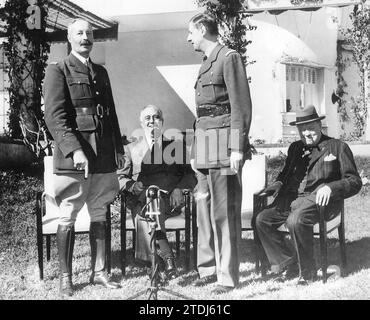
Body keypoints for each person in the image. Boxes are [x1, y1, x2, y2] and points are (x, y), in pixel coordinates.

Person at [43, 19, 125, 298]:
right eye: (80, 33)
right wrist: (74, 149)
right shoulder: (58, 70)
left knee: (100, 210)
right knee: (68, 212)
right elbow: (55, 118)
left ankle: (99, 272)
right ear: (69, 37)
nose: (85, 38)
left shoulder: (101, 72)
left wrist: (118, 149)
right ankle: (66, 278)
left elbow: (110, 114)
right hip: (75, 156)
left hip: (102, 154)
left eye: (89, 34)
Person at [254, 105, 362, 285]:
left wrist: (331, 187)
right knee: (262, 219)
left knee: (295, 220)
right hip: (291, 199)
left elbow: (354, 181)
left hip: (319, 201)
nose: (306, 134)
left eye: (310, 128)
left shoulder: (338, 147)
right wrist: (278, 183)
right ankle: (289, 263)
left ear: (320, 125)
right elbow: (286, 172)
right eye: (301, 129)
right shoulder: (295, 148)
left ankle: (308, 273)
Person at [187, 13, 252, 294]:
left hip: (225, 145)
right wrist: (194, 150)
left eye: (190, 32)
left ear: (203, 29)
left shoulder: (228, 58)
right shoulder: (205, 63)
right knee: (203, 208)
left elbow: (241, 106)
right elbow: (203, 113)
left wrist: (237, 147)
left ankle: (227, 276)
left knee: (225, 212)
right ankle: (208, 267)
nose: (188, 38)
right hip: (205, 145)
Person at [117, 105, 196, 279]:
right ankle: (167, 257)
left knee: (153, 204)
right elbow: (120, 178)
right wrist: (131, 185)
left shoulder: (176, 147)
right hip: (141, 199)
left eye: (156, 117)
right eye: (147, 118)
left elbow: (191, 176)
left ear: (162, 122)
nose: (152, 122)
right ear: (141, 122)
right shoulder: (131, 149)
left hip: (170, 202)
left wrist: (178, 189)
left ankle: (155, 263)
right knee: (152, 199)